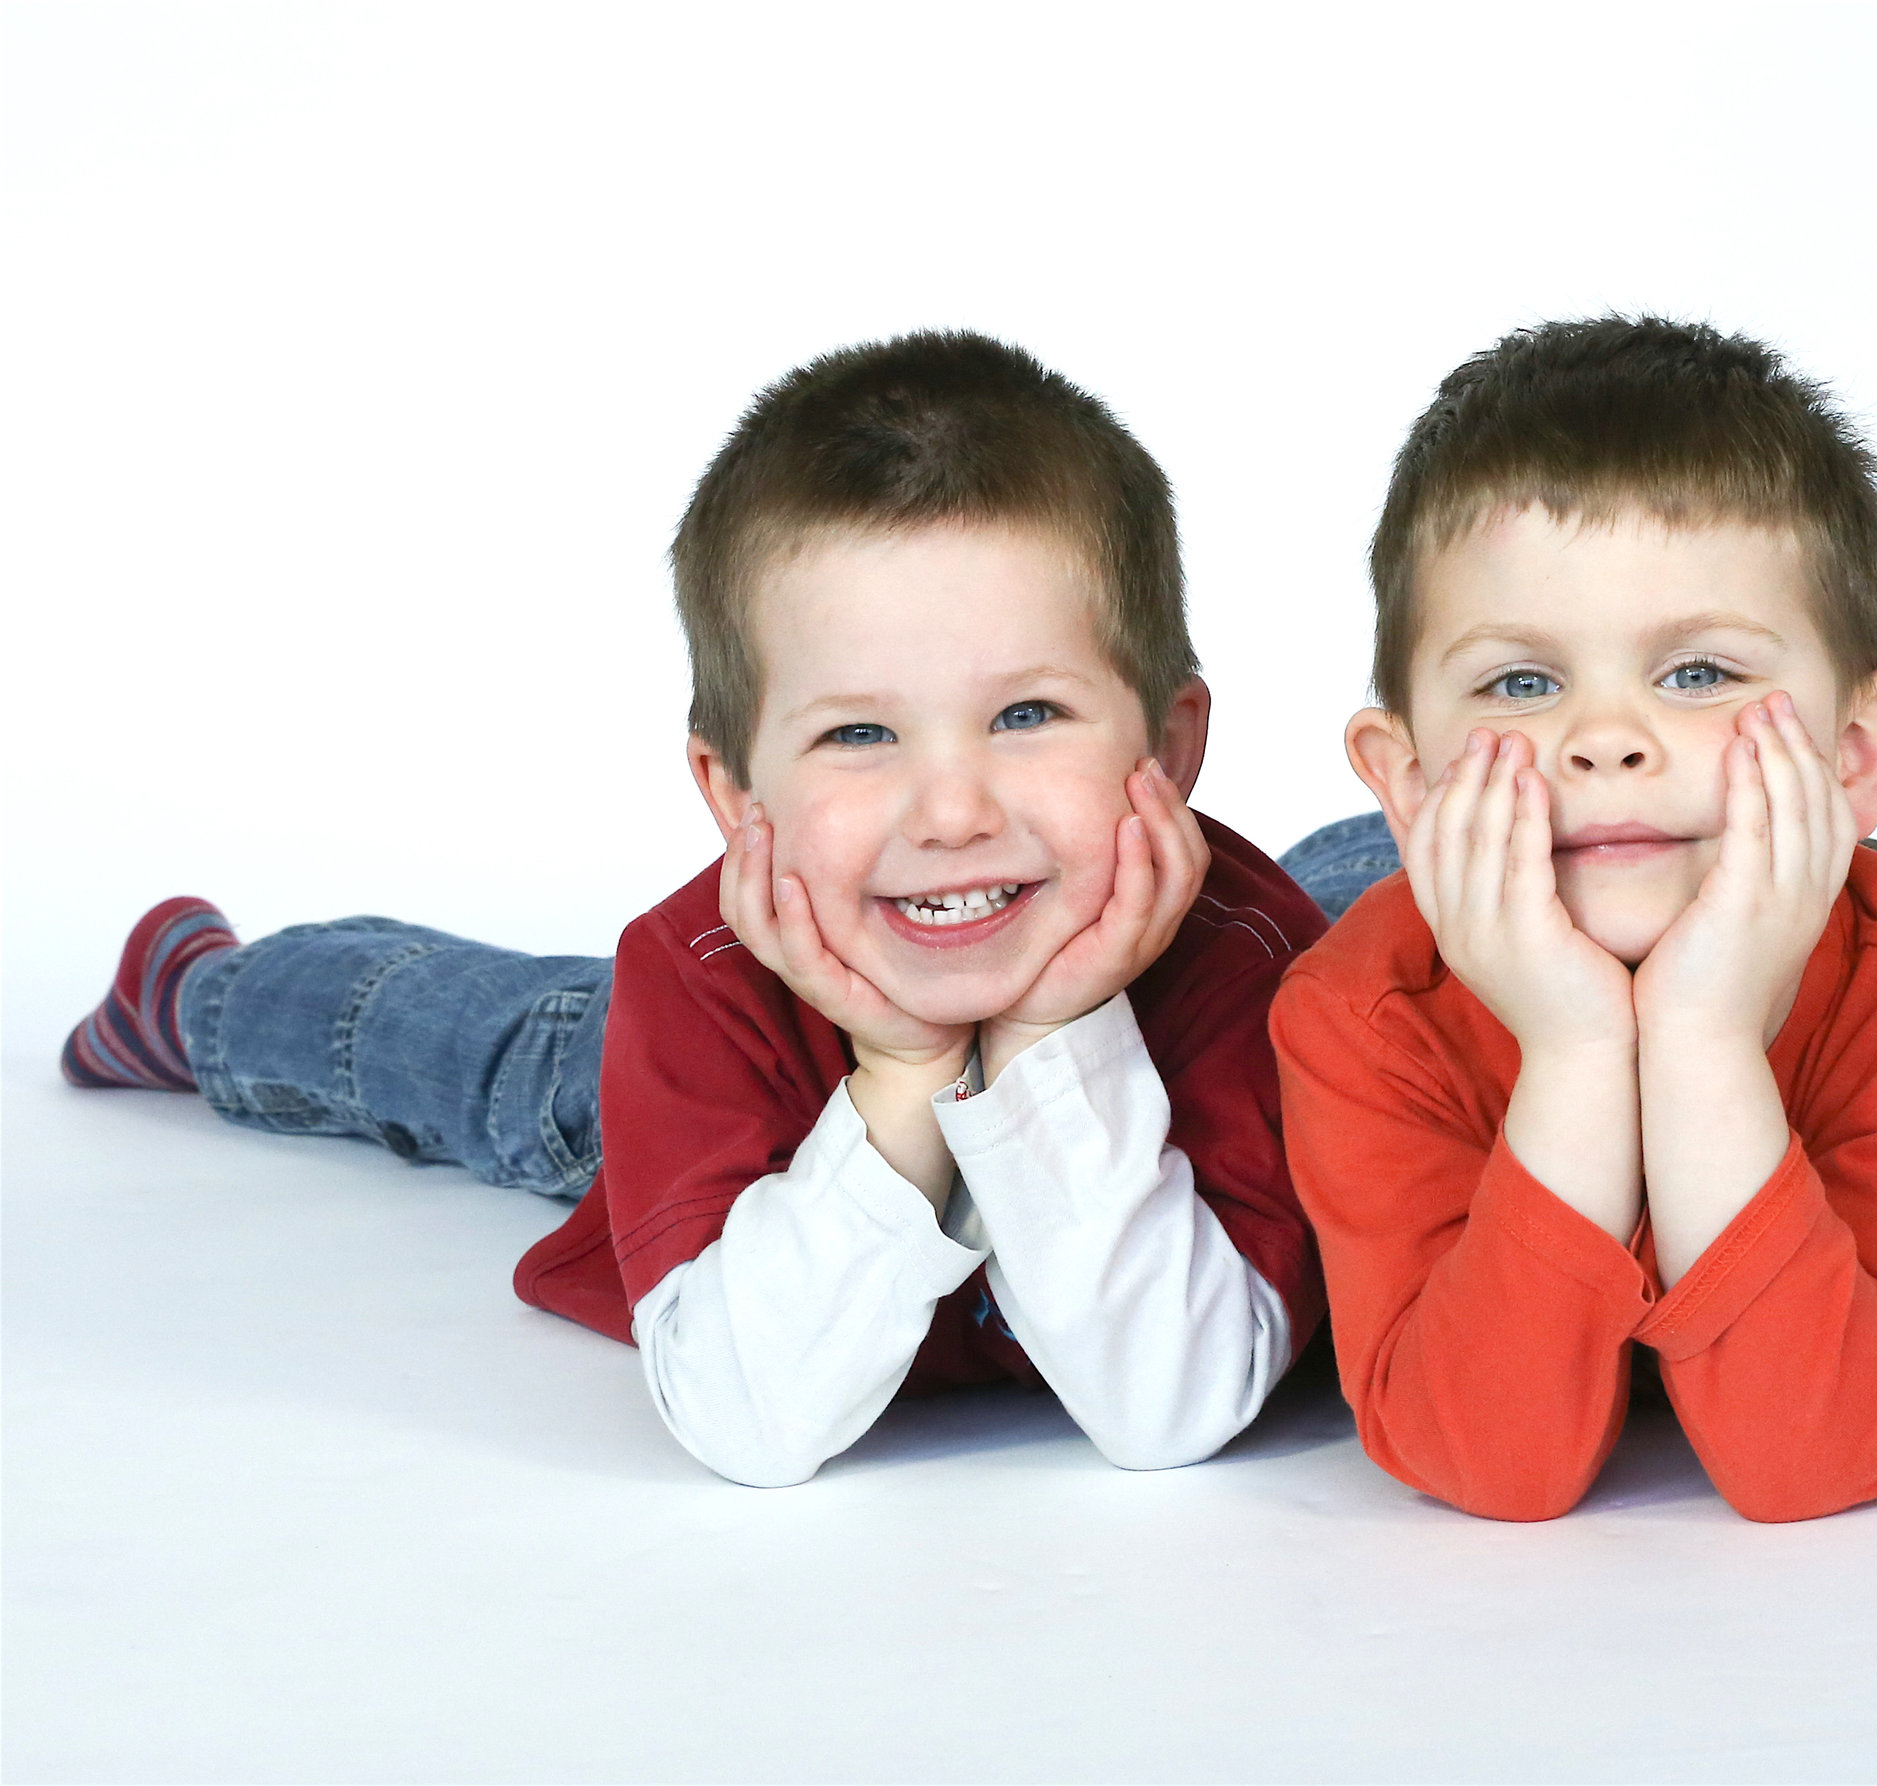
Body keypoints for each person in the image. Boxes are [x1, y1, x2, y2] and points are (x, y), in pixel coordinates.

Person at [62, 332, 1327, 1487]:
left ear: (1168, 746)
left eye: (1025, 715)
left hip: (1192, 958)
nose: (950, 812)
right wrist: (900, 1069)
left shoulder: (1260, 975)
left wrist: (1056, 1034)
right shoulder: (699, 973)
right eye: (859, 732)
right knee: (468, 1037)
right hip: (711, 1066)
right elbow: (750, 1422)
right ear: (731, 788)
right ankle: (193, 995)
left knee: (1380, 906)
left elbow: (1168, 1406)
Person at [1268, 316, 1877, 1524]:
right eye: (1523, 683)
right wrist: (1581, 1050)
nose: (1603, 738)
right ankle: (1360, 856)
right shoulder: (1356, 1016)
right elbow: (1490, 1460)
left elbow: (1816, 1456)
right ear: (1410, 775)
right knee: (1336, 895)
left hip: (1854, 920)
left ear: (1853, 751)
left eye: (1697, 673)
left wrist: (1699, 1040)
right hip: (1543, 879)